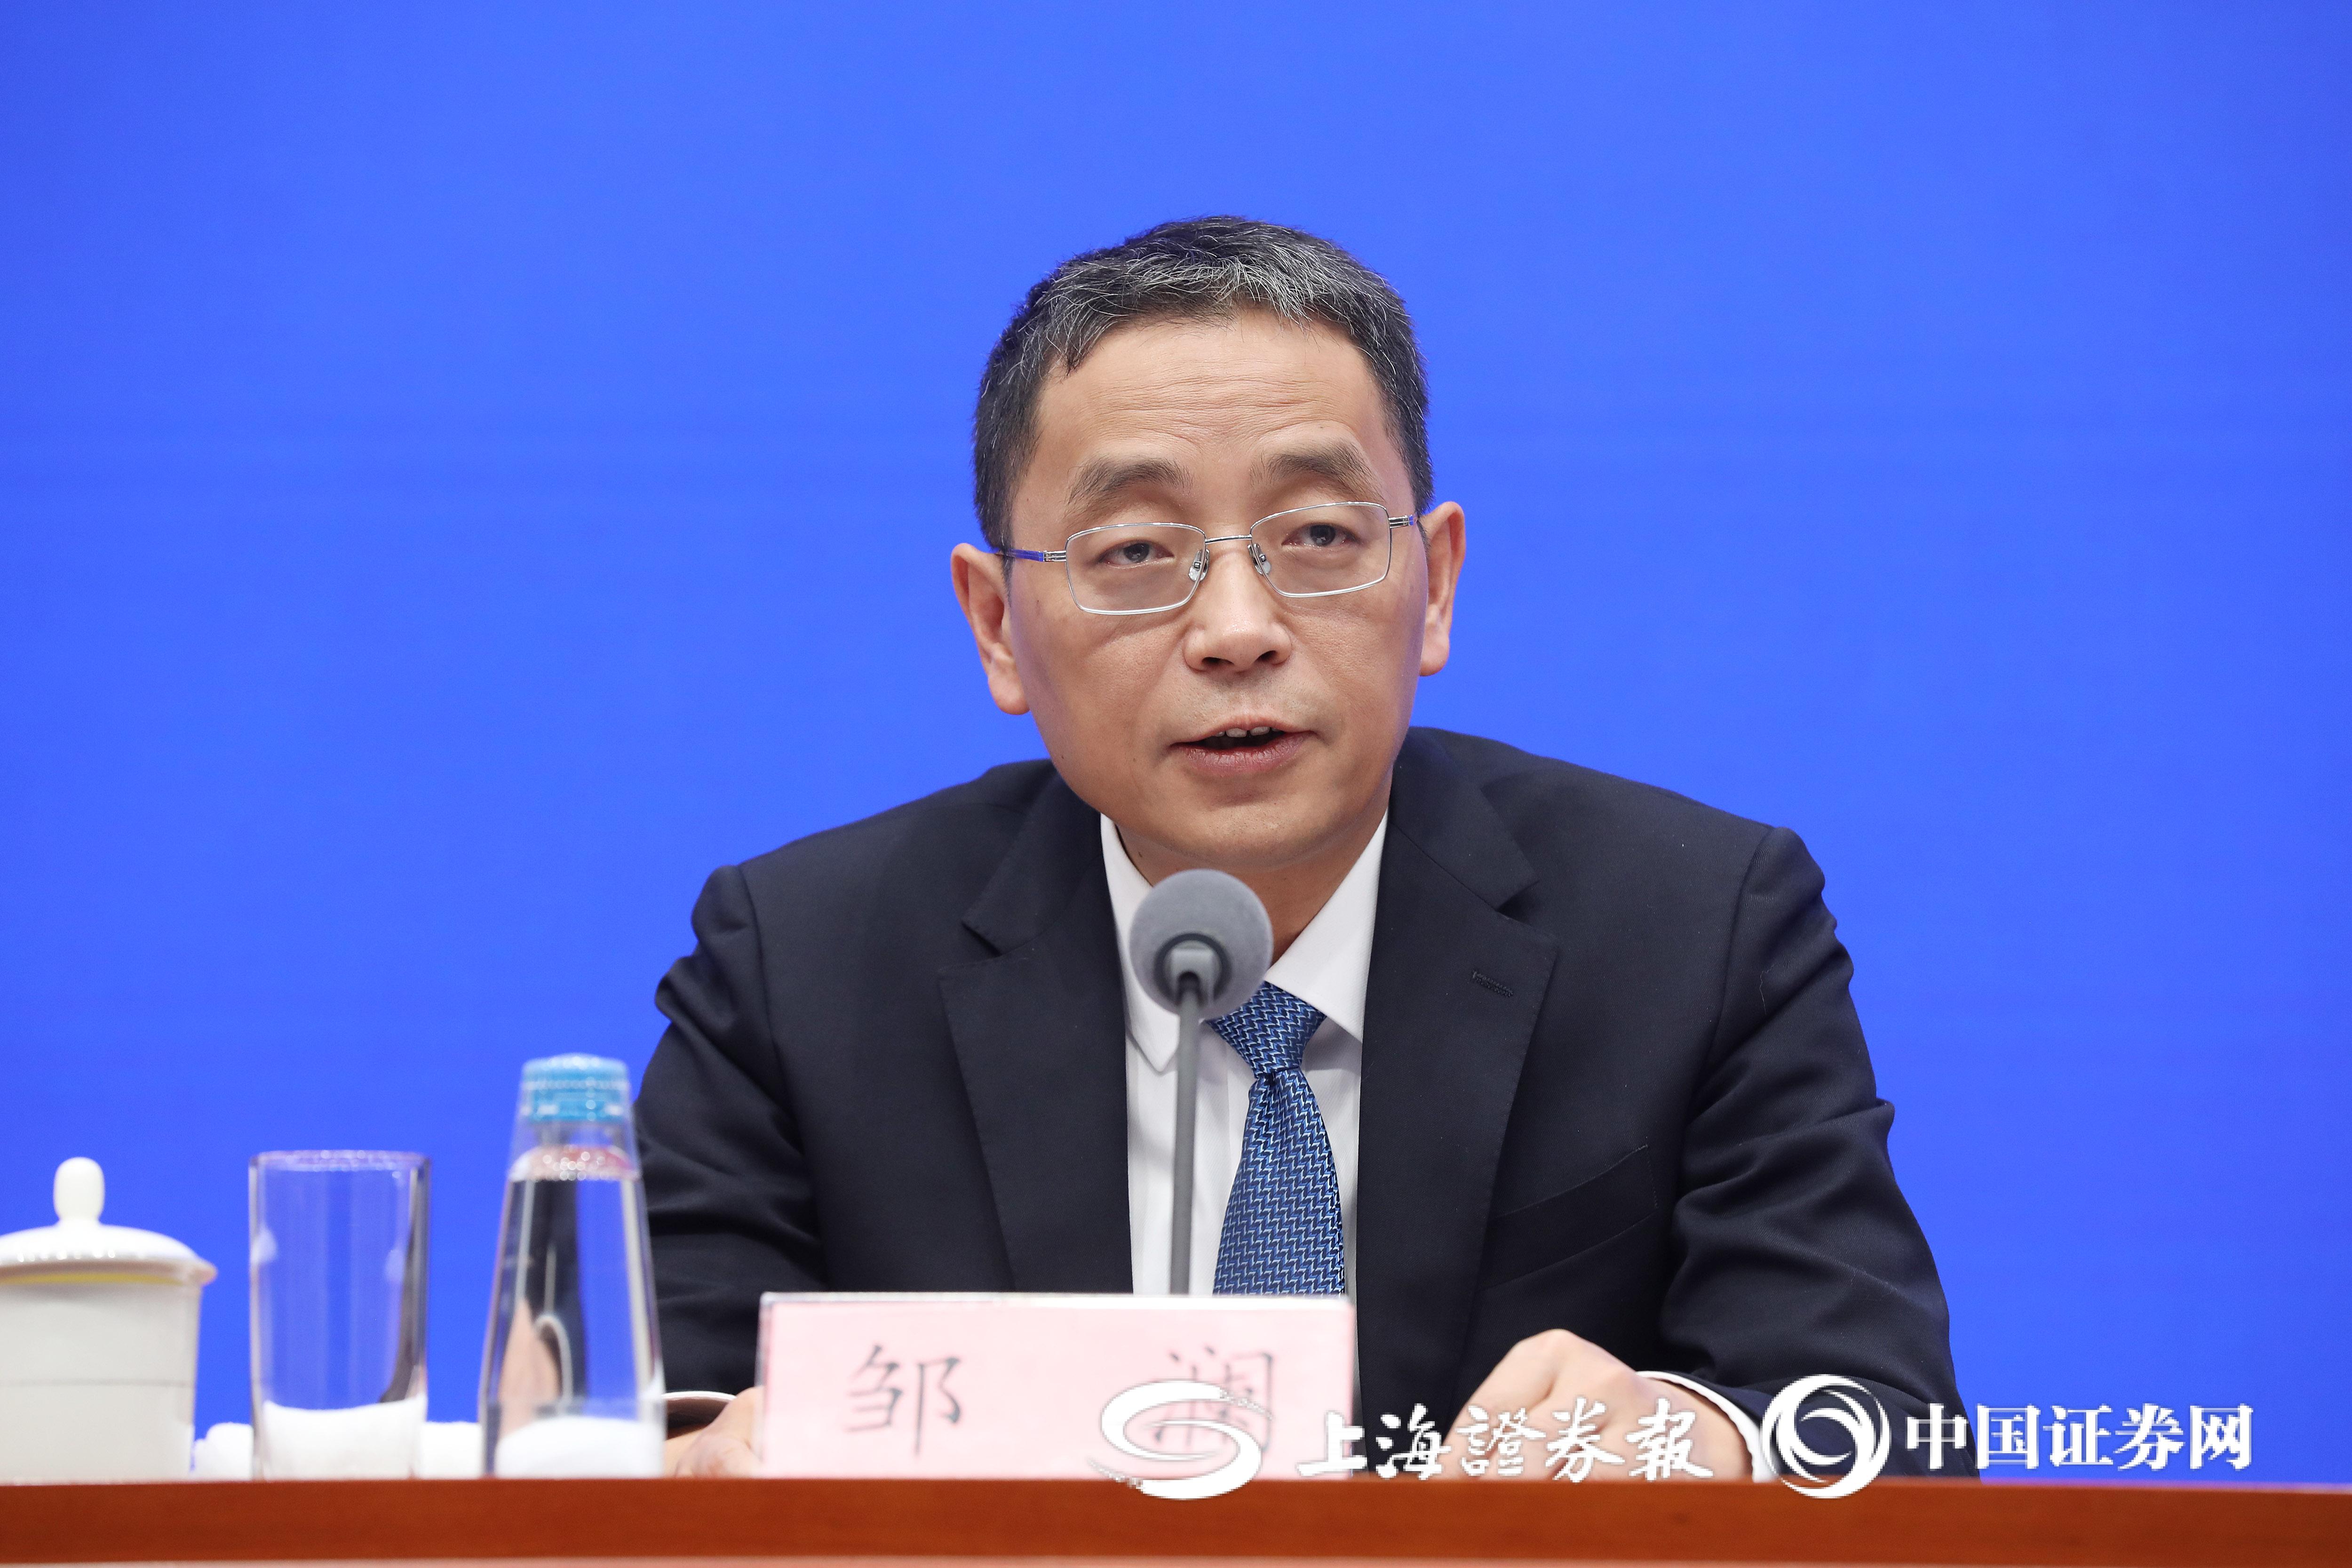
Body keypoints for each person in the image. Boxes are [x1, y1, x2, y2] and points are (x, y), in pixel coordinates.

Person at [642, 217, 1965, 1480]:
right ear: (997, 626)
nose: (1237, 629)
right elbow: (646, 1413)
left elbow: (1883, 1423)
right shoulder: (801, 967)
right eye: (1137, 549)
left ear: (1435, 586)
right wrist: (699, 1458)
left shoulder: (1694, 927)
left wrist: (1699, 1434)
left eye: (1319, 537)